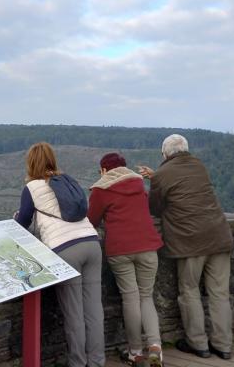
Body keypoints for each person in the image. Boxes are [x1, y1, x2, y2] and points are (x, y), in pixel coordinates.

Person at [139, 134, 234, 361]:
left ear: (165, 154)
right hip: (219, 235)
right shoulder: (199, 166)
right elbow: (183, 185)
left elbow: (155, 208)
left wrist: (155, 179)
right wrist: (158, 177)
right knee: (219, 293)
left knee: (189, 291)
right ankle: (223, 345)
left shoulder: (162, 174)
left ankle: (198, 343)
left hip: (191, 240)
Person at [13, 142, 105, 367]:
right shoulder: (68, 180)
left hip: (65, 249)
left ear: (31, 163)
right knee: (94, 310)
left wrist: (15, 217)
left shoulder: (32, 188)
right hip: (92, 243)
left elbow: (23, 222)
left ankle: (77, 362)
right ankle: (97, 362)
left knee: (74, 313)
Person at [87, 152, 165, 366]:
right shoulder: (139, 184)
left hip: (120, 249)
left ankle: (135, 352)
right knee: (146, 297)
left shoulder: (101, 189)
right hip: (148, 246)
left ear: (104, 170)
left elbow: (91, 220)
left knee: (130, 299)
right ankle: (156, 347)